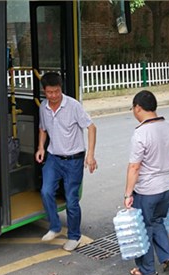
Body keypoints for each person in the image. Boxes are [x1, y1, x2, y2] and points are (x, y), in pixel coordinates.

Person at [123, 90, 169, 275]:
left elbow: (134, 167)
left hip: (148, 190)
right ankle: (166, 256)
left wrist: (128, 194)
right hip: (168, 187)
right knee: (157, 221)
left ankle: (146, 269)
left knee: (144, 228)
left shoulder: (141, 133)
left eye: (133, 108)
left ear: (138, 108)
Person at [35, 72, 98, 251]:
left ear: (60, 89)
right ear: (44, 91)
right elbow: (42, 128)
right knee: (46, 191)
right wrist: (41, 147)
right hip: (53, 158)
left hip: (74, 160)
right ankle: (55, 226)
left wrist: (90, 155)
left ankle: (74, 236)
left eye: (56, 91)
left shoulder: (73, 106)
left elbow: (91, 128)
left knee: (71, 200)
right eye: (49, 92)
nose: (53, 96)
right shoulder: (44, 108)